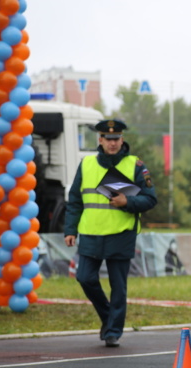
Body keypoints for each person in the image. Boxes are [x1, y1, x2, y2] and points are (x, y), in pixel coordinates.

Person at [64, 118, 158, 348]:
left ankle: (113, 332)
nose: (113, 143)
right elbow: (75, 200)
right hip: (91, 233)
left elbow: (150, 199)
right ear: (101, 140)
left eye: (116, 139)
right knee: (84, 278)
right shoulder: (86, 164)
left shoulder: (135, 165)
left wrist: (127, 201)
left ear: (122, 139)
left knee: (118, 286)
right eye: (108, 139)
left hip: (121, 233)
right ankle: (108, 317)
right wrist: (70, 229)